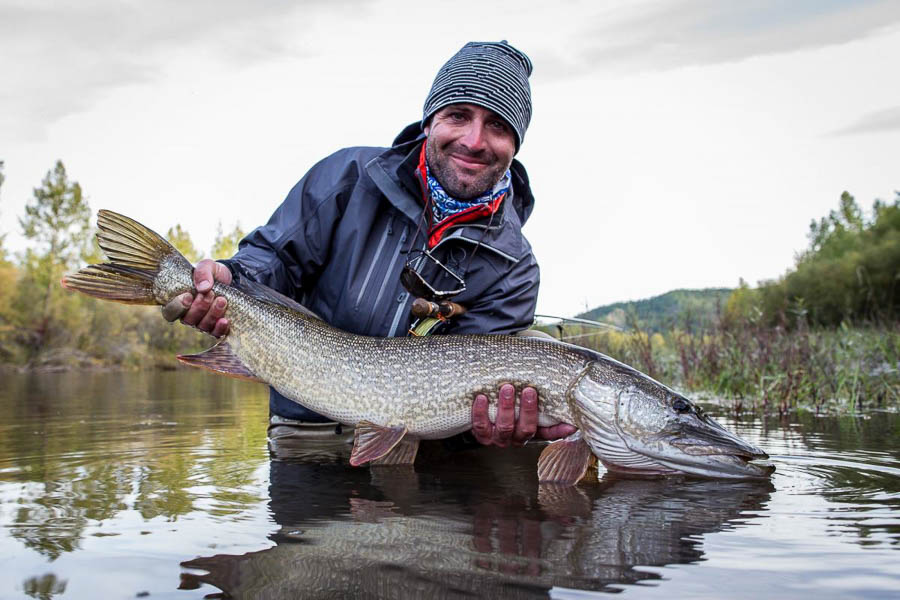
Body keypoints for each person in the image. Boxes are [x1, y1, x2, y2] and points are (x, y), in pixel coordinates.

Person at [164, 41, 576, 452]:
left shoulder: (516, 267)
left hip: (430, 448)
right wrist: (228, 281)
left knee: (540, 361)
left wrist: (497, 430)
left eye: (498, 126)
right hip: (310, 429)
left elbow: (474, 412)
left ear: (516, 144)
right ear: (430, 120)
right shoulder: (348, 176)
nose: (474, 139)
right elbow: (272, 262)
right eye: (458, 115)